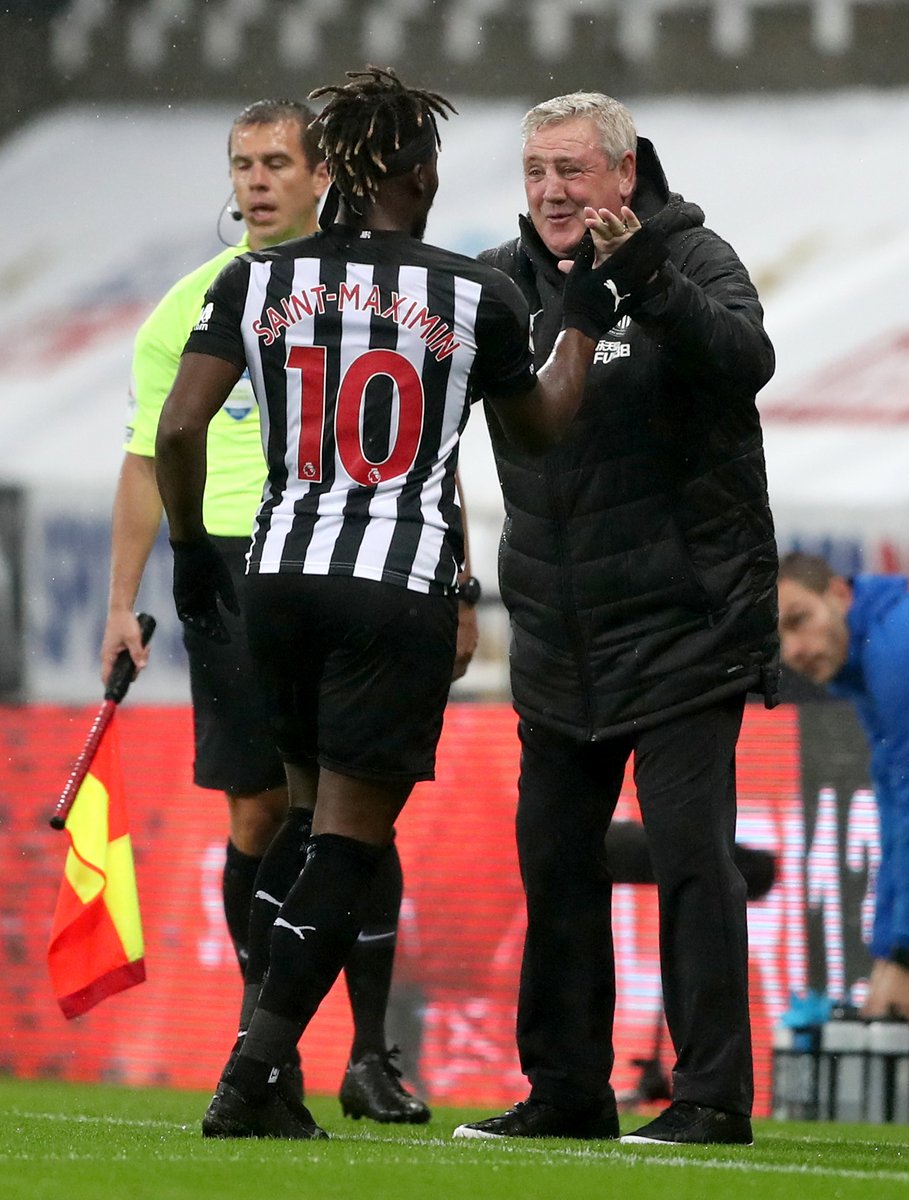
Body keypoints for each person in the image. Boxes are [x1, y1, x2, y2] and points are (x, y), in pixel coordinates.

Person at [153, 66, 648, 1141]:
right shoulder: (474, 293)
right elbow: (538, 431)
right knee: (348, 840)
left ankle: (271, 1072)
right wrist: (579, 321)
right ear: (420, 174)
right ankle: (252, 1075)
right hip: (394, 586)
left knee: (297, 824)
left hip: (276, 575)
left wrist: (189, 550)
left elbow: (180, 428)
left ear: (331, 172)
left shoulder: (254, 279)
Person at [100, 98, 443, 1122]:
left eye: (275, 163)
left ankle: (369, 1054)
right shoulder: (193, 304)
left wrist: (460, 581)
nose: (254, 182)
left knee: (358, 803)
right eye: (241, 164)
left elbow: (427, 445)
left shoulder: (378, 291)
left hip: (356, 550)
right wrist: (123, 601)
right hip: (230, 566)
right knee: (260, 809)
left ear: (322, 175)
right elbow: (146, 455)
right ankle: (268, 1049)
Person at [453, 92, 778, 1147]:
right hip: (557, 635)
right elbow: (431, 423)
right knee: (554, 865)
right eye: (535, 171)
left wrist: (644, 278)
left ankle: (710, 1097)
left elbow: (746, 361)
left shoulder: (693, 256)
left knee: (690, 861)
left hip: (685, 626)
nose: (550, 191)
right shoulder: (497, 284)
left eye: (571, 170)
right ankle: (566, 1092)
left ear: (624, 172)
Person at [777, 551, 909, 1029]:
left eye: (799, 620)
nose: (793, 651)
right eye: (778, 637)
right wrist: (889, 950)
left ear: (840, 594)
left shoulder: (900, 649)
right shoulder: (875, 656)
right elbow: (895, 816)